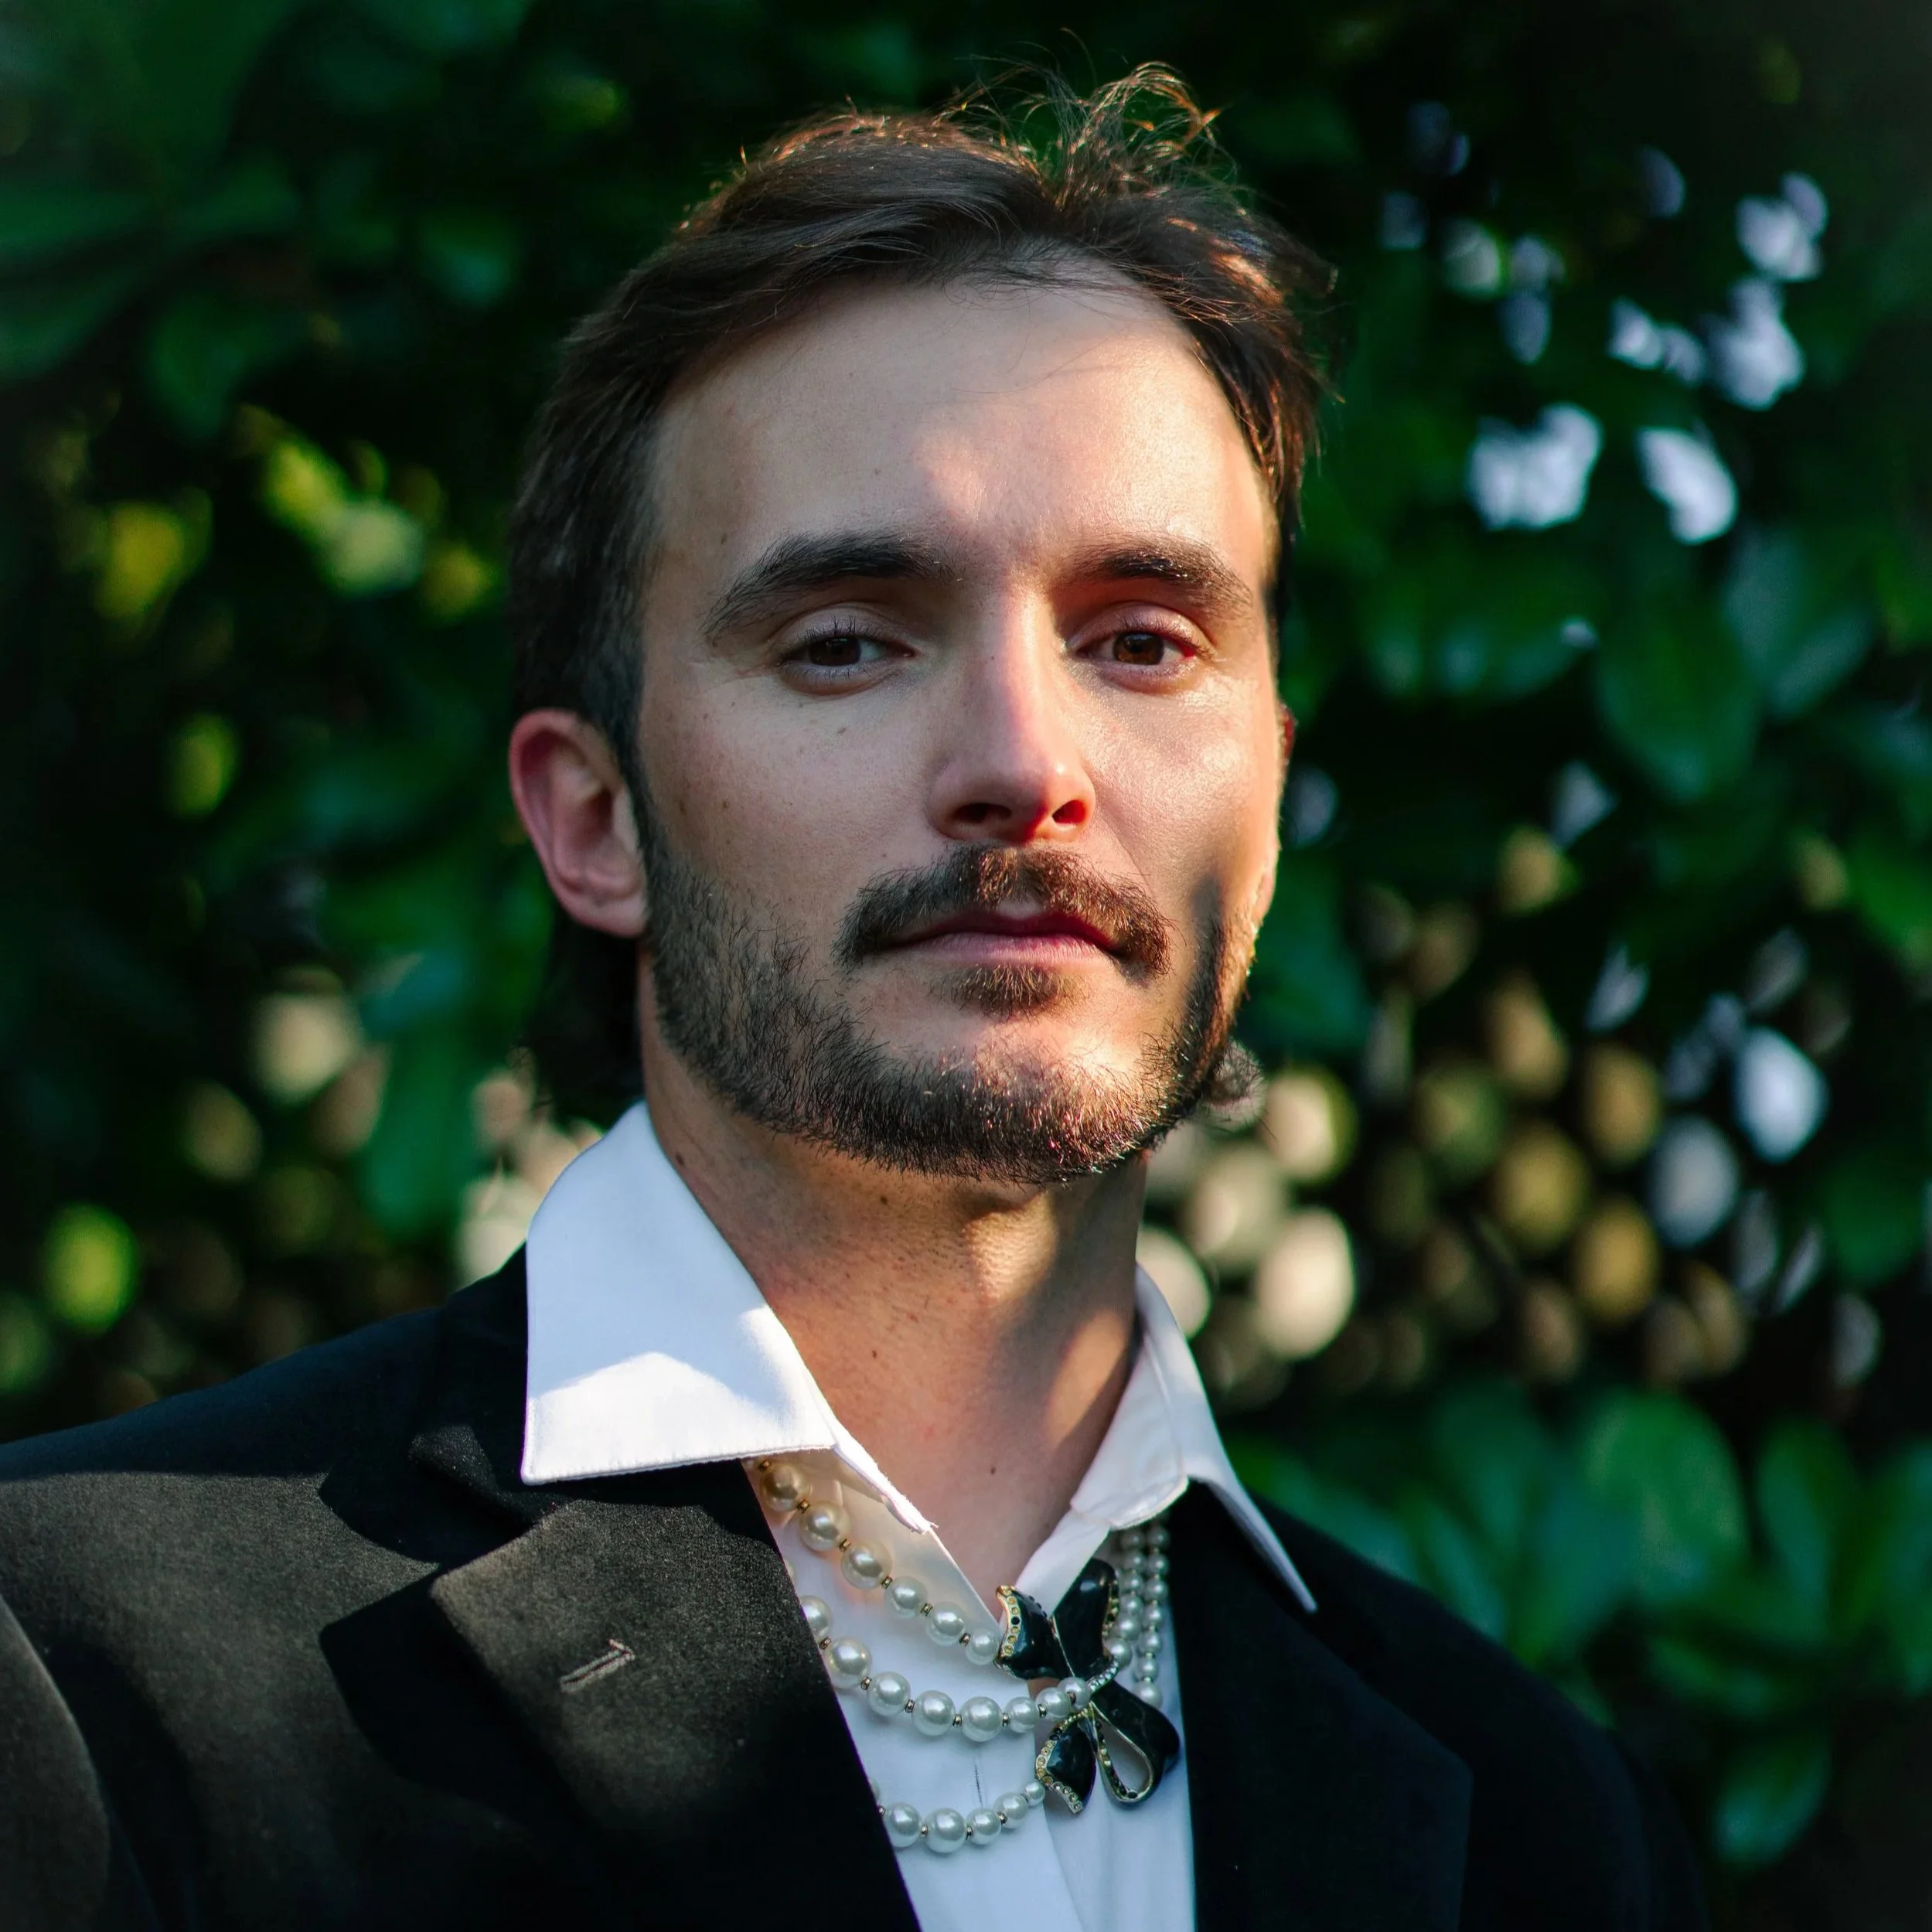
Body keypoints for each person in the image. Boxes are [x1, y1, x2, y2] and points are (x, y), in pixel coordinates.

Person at [0, 69, 1705, 1932]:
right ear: (595, 820)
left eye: (1140, 639)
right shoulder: (73, 1665)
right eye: (846, 643)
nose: (1020, 762)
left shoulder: (1537, 1817)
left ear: (1270, 795)